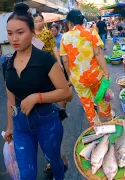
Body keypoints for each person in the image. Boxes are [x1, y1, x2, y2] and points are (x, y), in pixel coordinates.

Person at [4, 3, 72, 179]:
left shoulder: (44, 59)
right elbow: (10, 100)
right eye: (10, 34)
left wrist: (37, 97)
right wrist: (10, 127)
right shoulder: (7, 64)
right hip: (20, 126)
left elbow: (66, 93)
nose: (14, 39)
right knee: (26, 174)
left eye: (20, 32)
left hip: (47, 122)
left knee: (55, 161)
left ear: (32, 32)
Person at [60, 9, 111, 126]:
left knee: (87, 104)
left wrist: (69, 77)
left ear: (69, 22)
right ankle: (108, 120)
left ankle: (97, 128)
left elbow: (65, 60)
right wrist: (106, 72)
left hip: (78, 79)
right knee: (102, 98)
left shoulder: (65, 37)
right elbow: (98, 54)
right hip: (95, 75)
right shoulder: (91, 32)